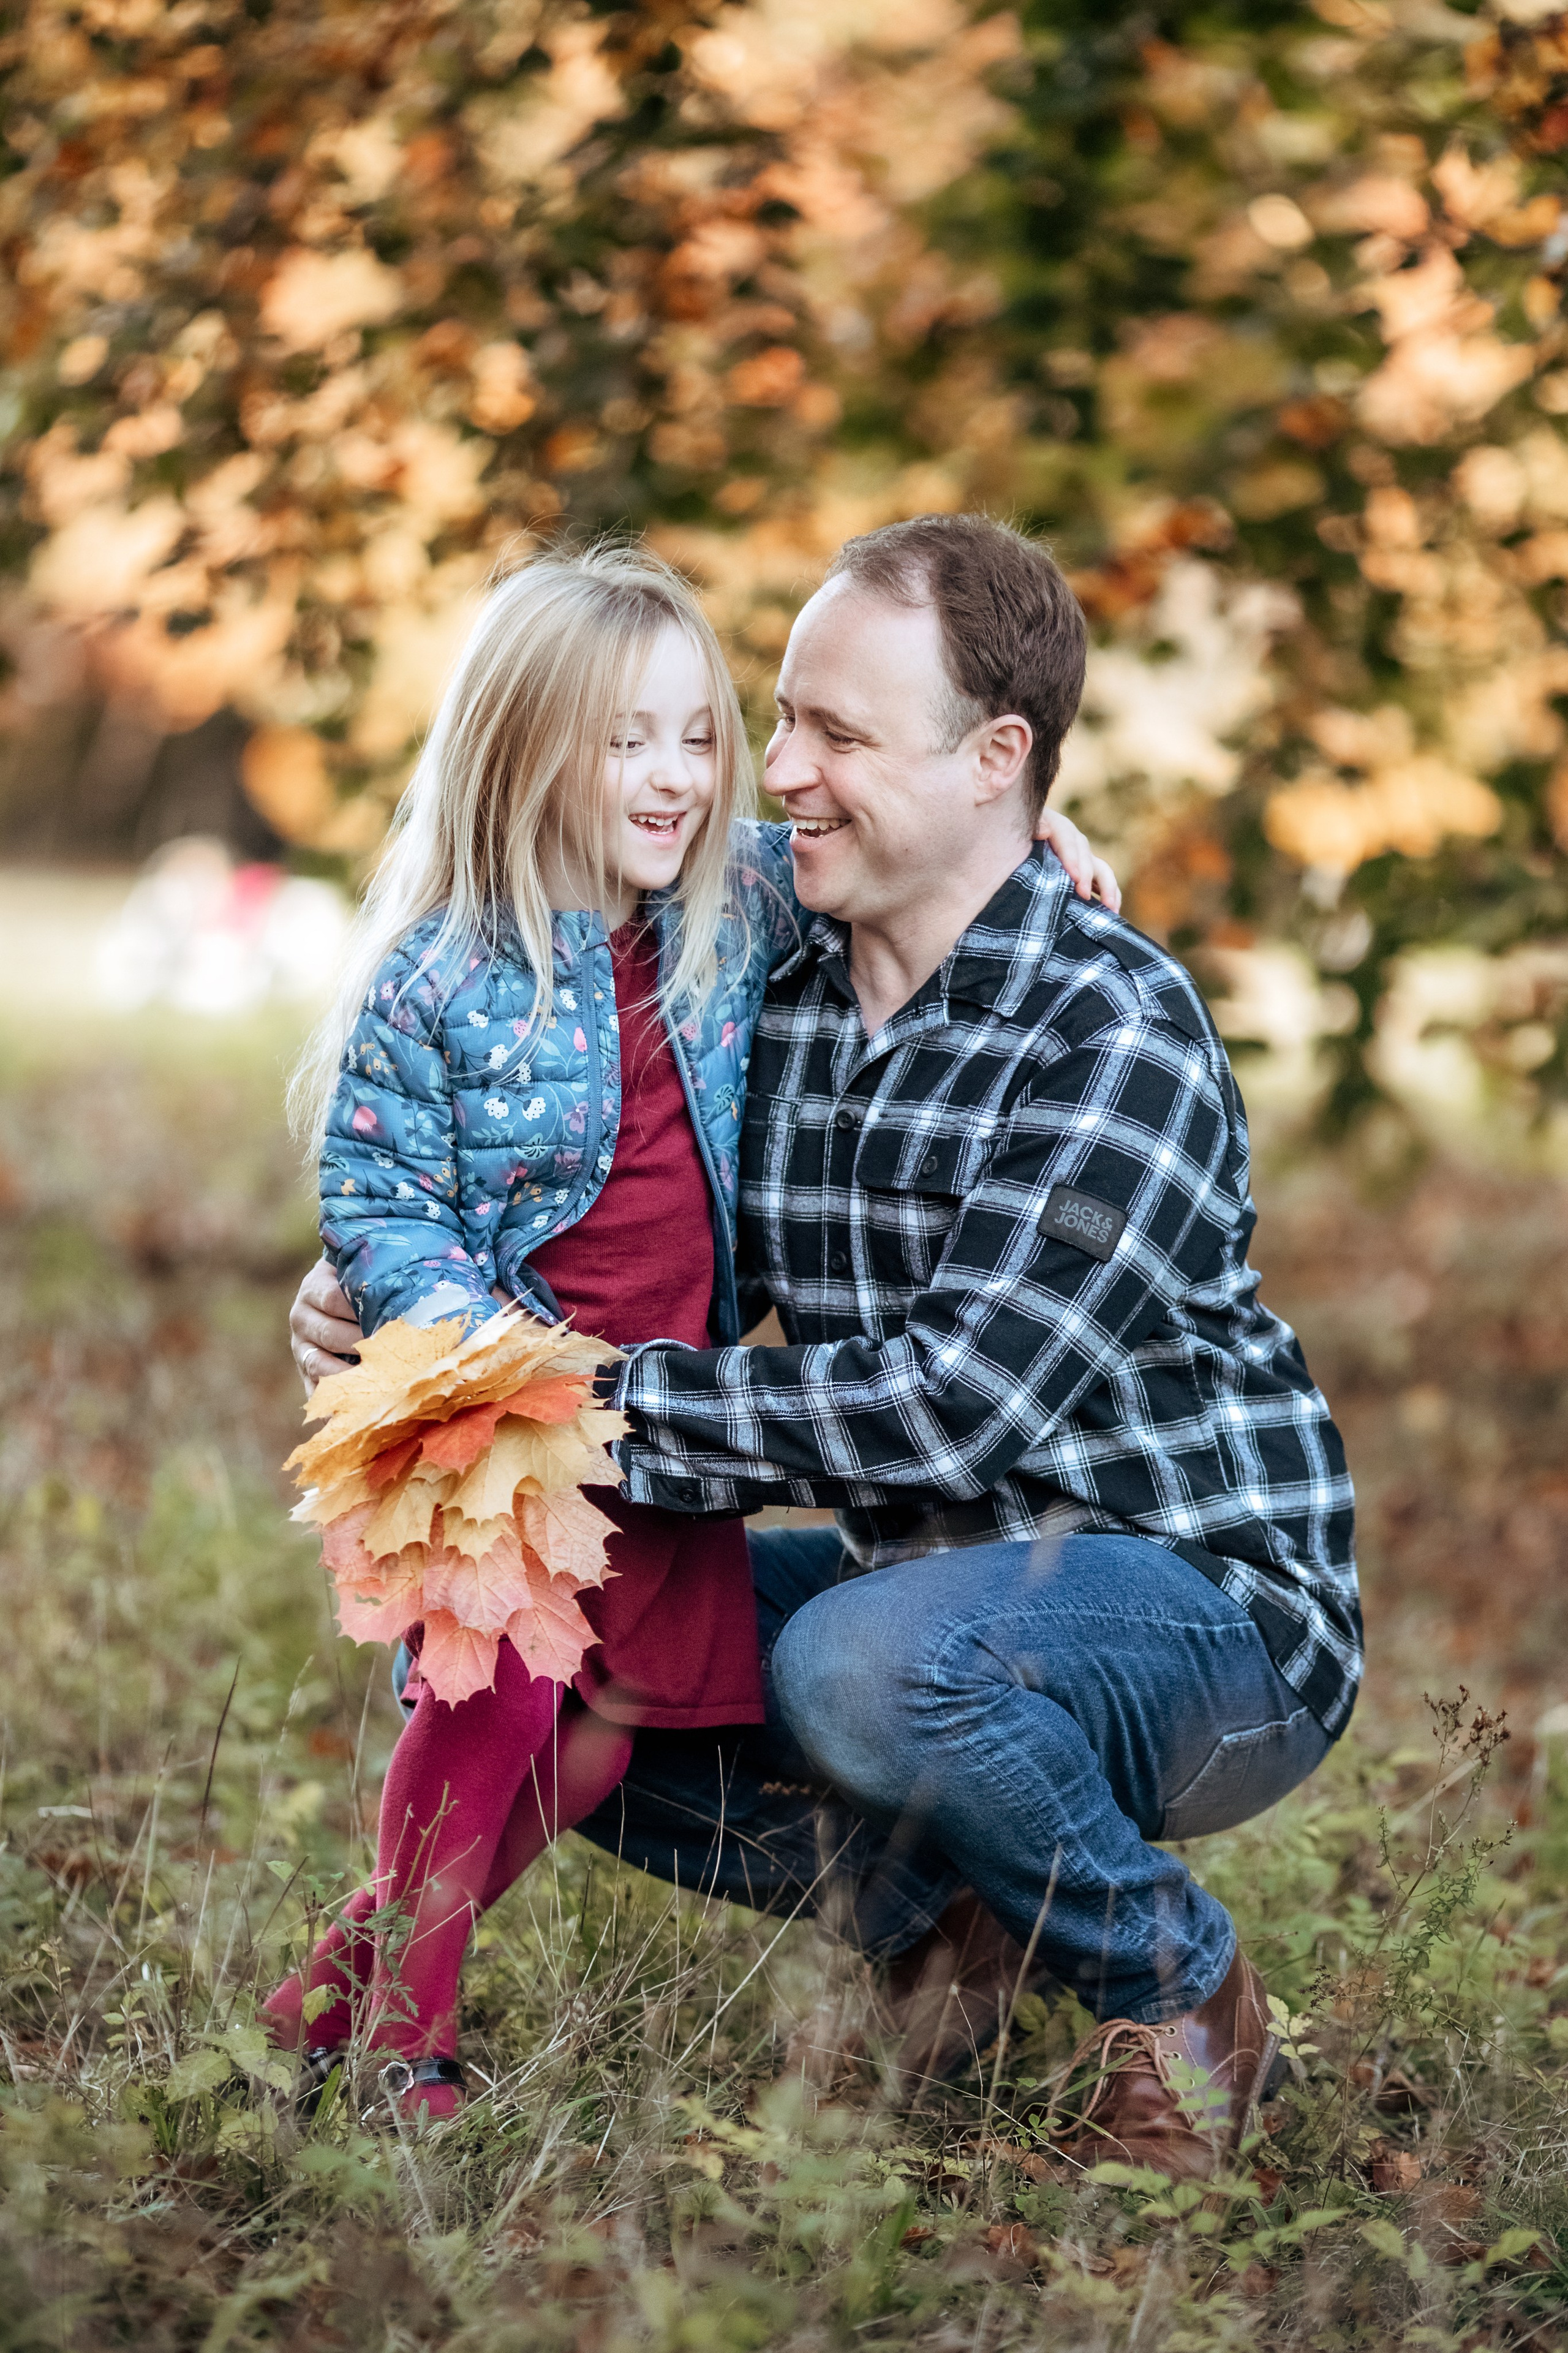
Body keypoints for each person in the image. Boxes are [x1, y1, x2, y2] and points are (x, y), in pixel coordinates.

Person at [291, 515, 1357, 2178]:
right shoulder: (764, 983)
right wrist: (390, 1310)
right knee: (593, 1652)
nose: (771, 770)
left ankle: (1184, 1989)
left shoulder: (1110, 1026)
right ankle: (964, 1930)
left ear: (997, 758)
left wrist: (537, 1403)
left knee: (858, 1663)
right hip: (924, 1571)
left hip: (1207, 1608)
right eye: (771, 719)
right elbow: (585, 1143)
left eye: (834, 735)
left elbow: (950, 1407)